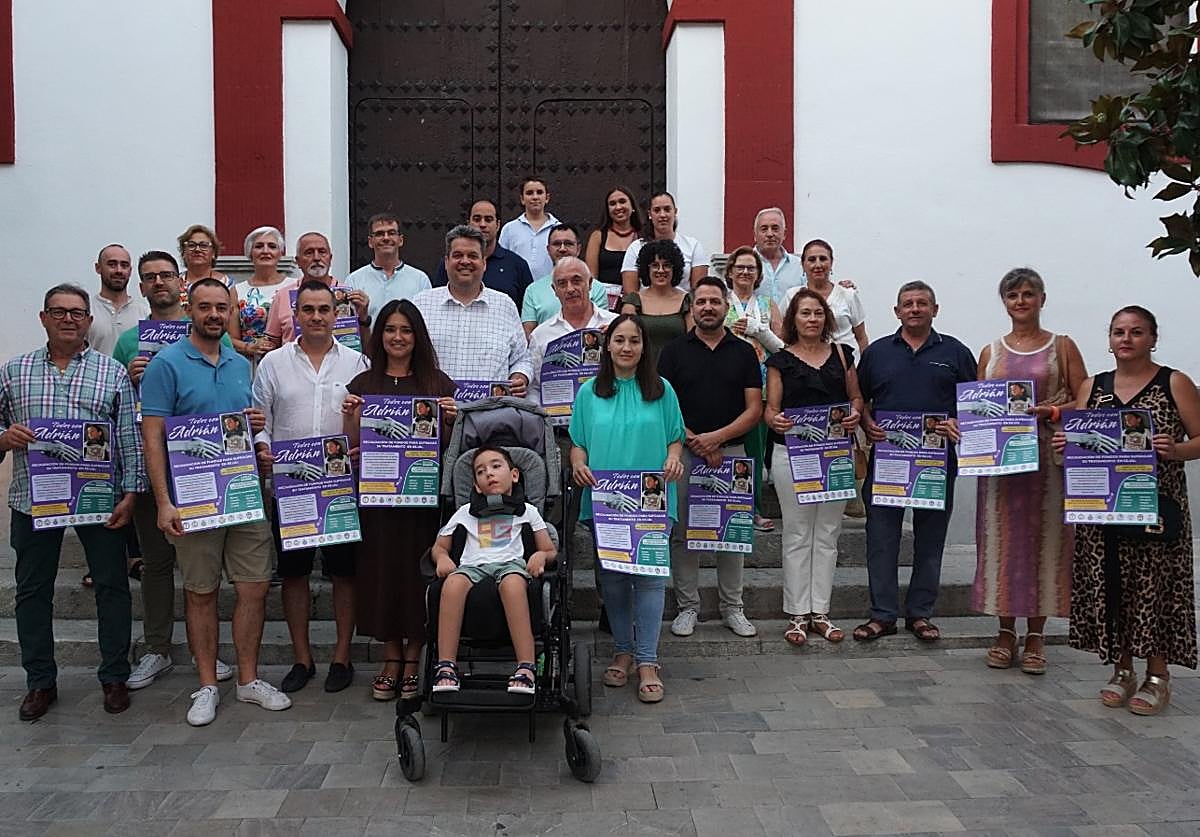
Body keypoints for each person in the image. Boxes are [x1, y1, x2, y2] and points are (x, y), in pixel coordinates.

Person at [140, 277, 292, 726]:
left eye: (220, 308)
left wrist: (256, 432)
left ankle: (248, 679)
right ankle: (206, 684)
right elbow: (153, 438)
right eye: (204, 306)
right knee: (201, 592)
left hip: (242, 494)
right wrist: (163, 502)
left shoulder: (238, 364)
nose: (213, 314)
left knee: (254, 588)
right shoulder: (166, 364)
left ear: (231, 312)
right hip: (194, 501)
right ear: (189, 309)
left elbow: (242, 427)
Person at [0, 283, 141, 720]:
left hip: (98, 498)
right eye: (59, 312)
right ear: (43, 318)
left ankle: (114, 676)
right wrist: (4, 437)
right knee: (32, 591)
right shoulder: (13, 371)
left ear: (88, 321)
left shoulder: (111, 373)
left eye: (77, 313)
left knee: (112, 587)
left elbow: (128, 437)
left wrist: (131, 494)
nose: (68, 319)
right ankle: (40, 682)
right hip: (33, 499)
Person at [1053, 305, 1199, 715]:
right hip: (1102, 510)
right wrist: (1065, 447)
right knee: (1112, 585)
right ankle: (1122, 670)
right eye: (1119, 332)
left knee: (1155, 588)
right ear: (1109, 339)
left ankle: (1158, 676)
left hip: (1155, 508)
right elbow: (1081, 446)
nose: (1126, 339)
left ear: (1153, 338)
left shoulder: (1174, 382)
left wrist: (1178, 450)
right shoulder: (1093, 387)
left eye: (1137, 332)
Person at [114, 253, 237, 692]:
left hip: (212, 479)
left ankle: (207, 651)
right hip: (159, 471)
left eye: (166, 275)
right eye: (150, 277)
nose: (158, 282)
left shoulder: (226, 347)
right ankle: (158, 647)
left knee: (204, 573)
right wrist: (133, 376)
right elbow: (125, 405)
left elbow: (232, 405)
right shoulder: (132, 342)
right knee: (158, 563)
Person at [252, 280, 370, 694]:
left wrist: (361, 447)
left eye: (324, 309)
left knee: (344, 574)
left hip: (340, 488)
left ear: (337, 315)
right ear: (296, 315)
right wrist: (262, 448)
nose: (317, 317)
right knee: (295, 574)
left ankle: (341, 656)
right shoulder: (273, 363)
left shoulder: (357, 363)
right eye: (308, 310)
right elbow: (260, 421)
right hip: (292, 490)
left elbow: (366, 425)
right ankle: (302, 658)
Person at [342, 299, 458, 700]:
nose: (397, 337)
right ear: (379, 336)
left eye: (405, 330)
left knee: (417, 573)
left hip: (422, 503)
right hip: (376, 502)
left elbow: (448, 446)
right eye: (390, 329)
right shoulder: (363, 384)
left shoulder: (437, 384)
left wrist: (449, 420)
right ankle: (391, 656)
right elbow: (351, 444)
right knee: (380, 574)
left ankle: (414, 656)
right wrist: (350, 417)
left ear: (417, 336)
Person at [973, 267, 1087, 675]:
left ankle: (1036, 634)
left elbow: (1086, 399)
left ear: (1042, 299)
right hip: (1001, 469)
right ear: (1004, 302)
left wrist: (1052, 411)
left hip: (1047, 465)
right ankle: (1005, 631)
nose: (1020, 301)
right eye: (1012, 295)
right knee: (1003, 545)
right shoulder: (990, 352)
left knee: (1045, 544)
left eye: (1027, 294)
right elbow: (977, 408)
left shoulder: (1063, 347)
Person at [569, 314, 685, 703]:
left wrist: (673, 458)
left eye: (634, 340)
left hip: (651, 501)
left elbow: (675, 438)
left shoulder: (662, 389)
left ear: (644, 346)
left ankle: (648, 661)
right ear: (608, 346)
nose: (626, 347)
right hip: (607, 501)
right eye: (619, 340)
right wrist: (578, 464)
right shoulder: (589, 392)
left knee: (650, 578)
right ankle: (623, 651)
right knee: (614, 579)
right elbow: (578, 442)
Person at [855, 281, 976, 643]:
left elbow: (975, 406)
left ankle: (921, 614)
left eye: (922, 303)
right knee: (881, 539)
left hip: (935, 464)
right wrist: (867, 423)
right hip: (888, 462)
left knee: (930, 540)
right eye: (907, 304)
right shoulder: (877, 353)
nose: (915, 309)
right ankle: (883, 615)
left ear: (935, 309)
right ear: (897, 312)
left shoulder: (956, 352)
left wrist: (959, 423)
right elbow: (859, 398)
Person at [658, 276, 764, 638]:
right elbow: (665, 407)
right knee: (683, 534)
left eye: (714, 302)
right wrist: (697, 441)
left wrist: (717, 439)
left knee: (732, 535)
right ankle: (688, 607)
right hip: (685, 454)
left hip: (731, 454)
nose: (707, 307)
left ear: (725, 307)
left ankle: (733, 608)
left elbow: (754, 409)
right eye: (701, 301)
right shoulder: (673, 352)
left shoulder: (744, 351)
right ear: (692, 308)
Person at [764, 288, 865, 645]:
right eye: (805, 313)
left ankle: (820, 611)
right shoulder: (779, 361)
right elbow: (770, 409)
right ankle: (797, 614)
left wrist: (855, 414)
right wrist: (775, 421)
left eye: (818, 313)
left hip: (834, 455)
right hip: (792, 456)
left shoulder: (842, 353)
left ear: (827, 318)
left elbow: (856, 397)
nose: (812, 319)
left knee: (828, 534)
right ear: (794, 318)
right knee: (796, 533)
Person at [430, 446, 556, 695]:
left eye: (496, 466)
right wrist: (442, 557)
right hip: (471, 566)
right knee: (452, 584)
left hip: (512, 566)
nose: (489, 473)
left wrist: (541, 555)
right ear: (476, 486)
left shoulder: (527, 511)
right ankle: (446, 665)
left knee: (513, 585)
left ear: (515, 475)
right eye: (480, 471)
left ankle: (526, 665)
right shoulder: (465, 513)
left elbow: (550, 550)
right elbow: (439, 546)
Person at [415, 225, 532, 396]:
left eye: (472, 256)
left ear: (484, 263)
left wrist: (520, 376)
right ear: (446, 262)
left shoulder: (505, 305)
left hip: (492, 409)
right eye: (457, 255)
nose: (465, 261)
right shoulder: (421, 304)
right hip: (437, 407)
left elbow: (522, 358)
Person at [724, 245, 785, 532]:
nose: (745, 272)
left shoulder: (767, 304)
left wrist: (759, 330)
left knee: (755, 452)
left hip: (760, 387)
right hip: (725, 384)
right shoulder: (720, 300)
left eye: (751, 268)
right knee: (726, 449)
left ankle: (754, 509)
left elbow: (782, 348)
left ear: (759, 274)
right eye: (740, 267)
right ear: (730, 271)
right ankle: (725, 506)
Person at [527, 256, 618, 405]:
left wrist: (617, 342)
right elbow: (535, 388)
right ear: (554, 290)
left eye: (576, 281)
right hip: (560, 417)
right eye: (562, 284)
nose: (570, 289)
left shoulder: (616, 325)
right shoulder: (540, 335)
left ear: (590, 284)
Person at [264, 231, 371, 348]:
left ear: (330, 258)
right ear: (298, 261)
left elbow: (364, 347)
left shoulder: (349, 296)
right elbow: (271, 344)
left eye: (322, 252)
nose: (316, 258)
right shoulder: (282, 296)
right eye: (309, 253)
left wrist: (363, 317)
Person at [433, 200, 535, 310]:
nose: (482, 224)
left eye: (488, 219)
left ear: (498, 225)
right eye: (477, 219)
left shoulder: (517, 264)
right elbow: (438, 298)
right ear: (468, 223)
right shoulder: (453, 264)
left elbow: (527, 309)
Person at [520, 223, 610, 336]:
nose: (562, 249)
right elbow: (529, 335)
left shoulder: (597, 288)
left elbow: (602, 326)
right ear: (548, 249)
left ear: (578, 249)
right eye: (557, 244)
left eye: (568, 244)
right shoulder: (533, 290)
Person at [781, 239, 868, 355]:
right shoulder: (792, 295)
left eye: (823, 259)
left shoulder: (848, 295)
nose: (818, 265)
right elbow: (784, 334)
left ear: (831, 263)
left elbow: (861, 337)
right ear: (803, 264)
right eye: (812, 260)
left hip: (847, 362)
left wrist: (865, 364)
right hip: (805, 361)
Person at [343, 213, 431, 323]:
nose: (386, 238)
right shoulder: (354, 280)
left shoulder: (420, 280)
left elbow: (427, 322)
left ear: (400, 240)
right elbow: (346, 324)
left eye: (391, 233)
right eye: (379, 234)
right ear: (370, 242)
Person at [618, 239, 693, 367]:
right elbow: (626, 338)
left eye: (667, 265)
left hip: (679, 368)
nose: (661, 270)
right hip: (642, 370)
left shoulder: (687, 300)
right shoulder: (633, 301)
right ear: (646, 269)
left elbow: (693, 341)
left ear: (675, 268)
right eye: (655, 265)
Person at [620, 192, 708, 293]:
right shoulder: (635, 248)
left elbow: (699, 291)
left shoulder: (693, 246)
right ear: (649, 214)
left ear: (675, 212)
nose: (662, 215)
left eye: (667, 209)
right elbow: (630, 294)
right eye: (657, 210)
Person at [177, 224, 243, 350]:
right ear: (183, 252)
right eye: (191, 245)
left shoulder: (227, 284)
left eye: (204, 245)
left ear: (213, 253)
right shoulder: (175, 283)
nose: (197, 250)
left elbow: (232, 335)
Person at [232, 226, 293, 362]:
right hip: (251, 362)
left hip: (287, 361)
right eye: (259, 246)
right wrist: (248, 347)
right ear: (250, 253)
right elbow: (230, 338)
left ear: (280, 253)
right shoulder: (237, 290)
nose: (265, 251)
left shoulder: (295, 287)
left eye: (272, 246)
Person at [87, 244, 148, 356]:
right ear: (98, 268)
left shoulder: (145, 313)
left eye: (124, 265)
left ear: (130, 271)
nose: (119, 270)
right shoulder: (86, 311)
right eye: (112, 264)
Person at [585, 185, 642, 301]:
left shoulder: (643, 236)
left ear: (632, 206)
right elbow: (592, 277)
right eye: (612, 204)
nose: (618, 207)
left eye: (622, 201)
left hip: (636, 301)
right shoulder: (598, 236)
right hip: (604, 301)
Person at [498, 176, 560, 279]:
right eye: (529, 193)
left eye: (539, 192)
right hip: (517, 286)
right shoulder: (509, 229)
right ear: (522, 199)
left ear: (547, 198)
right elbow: (502, 261)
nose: (535, 197)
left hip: (550, 286)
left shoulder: (558, 228)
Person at [752, 207, 806, 307]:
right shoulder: (743, 266)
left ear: (784, 234)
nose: (770, 234)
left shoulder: (800, 266)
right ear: (755, 235)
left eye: (775, 228)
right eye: (764, 229)